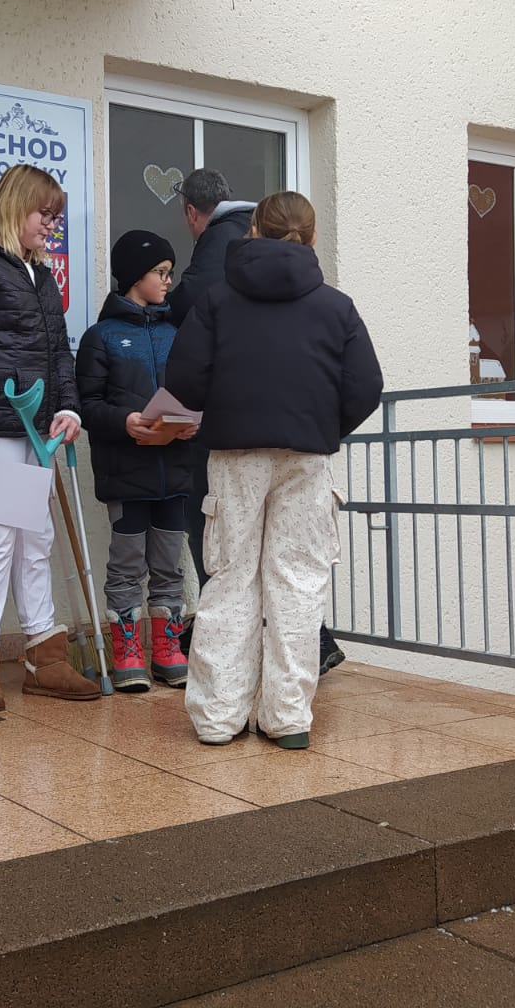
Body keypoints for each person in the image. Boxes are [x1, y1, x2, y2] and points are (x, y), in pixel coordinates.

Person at [165, 191, 382, 749]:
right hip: (305, 459)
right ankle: (287, 718)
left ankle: (218, 718)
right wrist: (321, 427)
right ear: (312, 237)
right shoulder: (336, 306)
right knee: (298, 581)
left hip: (234, 456)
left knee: (231, 577)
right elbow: (366, 387)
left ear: (253, 231)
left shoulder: (217, 300)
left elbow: (183, 380)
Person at [0, 163, 100, 712]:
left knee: (36, 542)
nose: (50, 226)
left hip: (39, 432)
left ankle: (44, 659)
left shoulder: (41, 275)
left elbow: (59, 353)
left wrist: (70, 408)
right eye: (44, 215)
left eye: (55, 218)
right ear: (15, 207)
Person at [75, 230, 197, 691]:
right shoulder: (100, 338)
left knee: (169, 564)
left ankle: (167, 648)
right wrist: (125, 421)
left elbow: (195, 393)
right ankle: (127, 648)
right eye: (159, 272)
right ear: (133, 276)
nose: (167, 281)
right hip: (126, 473)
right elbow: (87, 405)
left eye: (169, 273)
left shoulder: (177, 335)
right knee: (127, 564)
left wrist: (195, 423)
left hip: (175, 471)